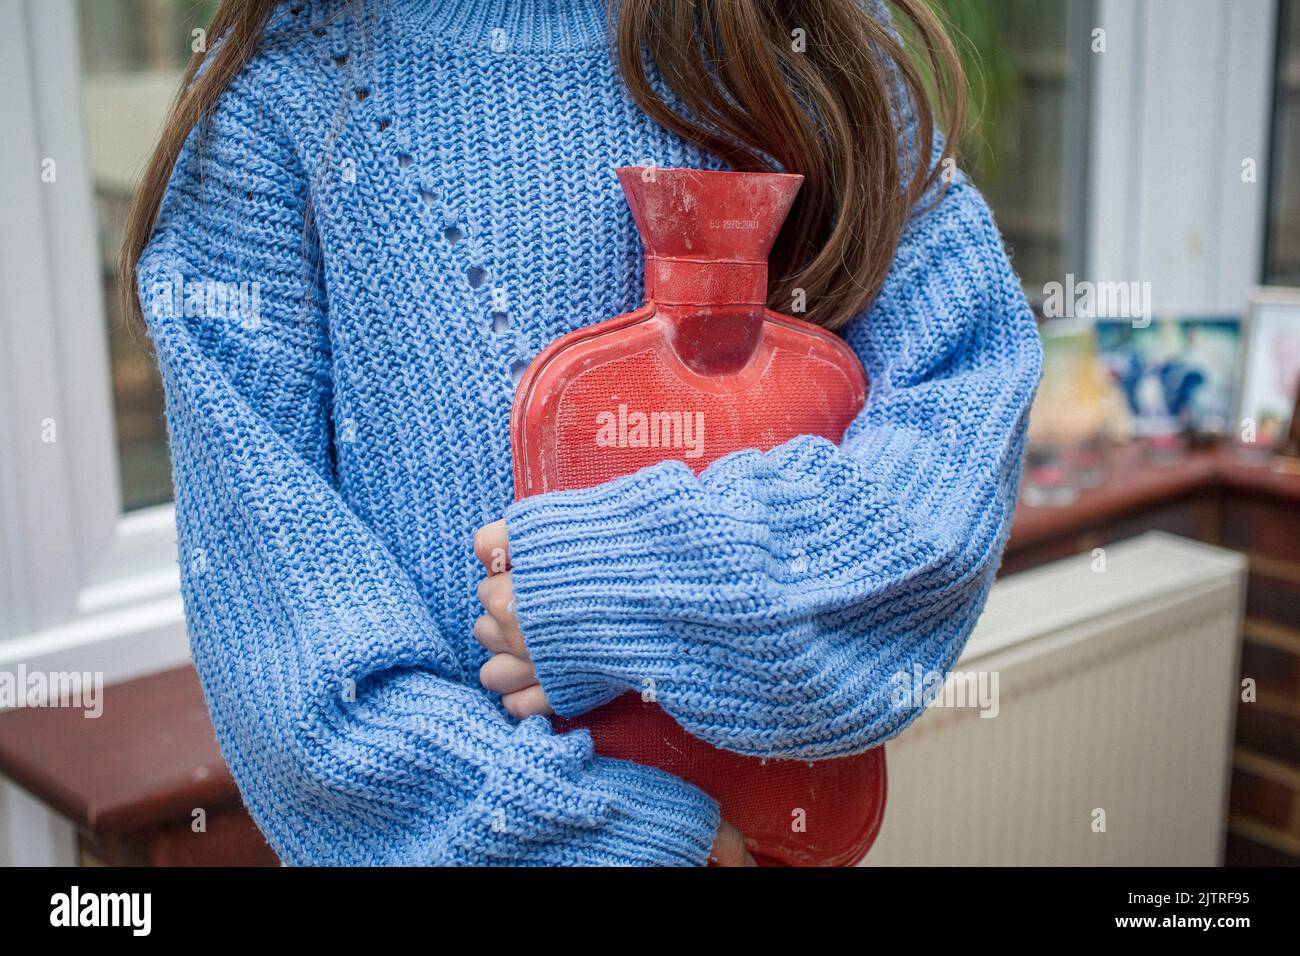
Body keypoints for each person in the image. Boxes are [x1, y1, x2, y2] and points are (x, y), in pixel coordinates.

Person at [122, 0, 1041, 866]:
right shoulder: (280, 95)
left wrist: (627, 587)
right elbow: (292, 669)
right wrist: (625, 840)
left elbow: (956, 434)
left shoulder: (794, 37)